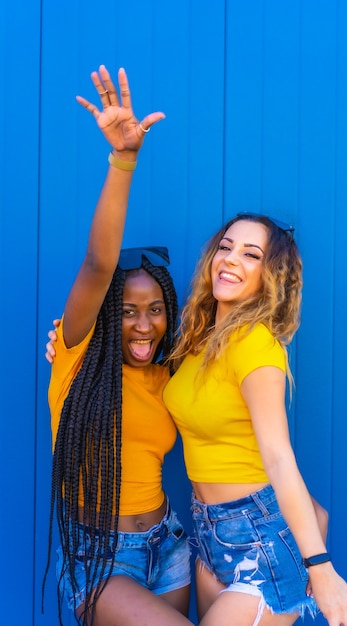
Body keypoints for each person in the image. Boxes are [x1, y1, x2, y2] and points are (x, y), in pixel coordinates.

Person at [44, 64, 195, 626]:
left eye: (155, 311)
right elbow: (99, 262)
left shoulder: (170, 377)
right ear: (106, 317)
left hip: (169, 544)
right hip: (100, 556)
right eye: (128, 311)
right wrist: (124, 160)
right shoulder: (75, 357)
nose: (143, 324)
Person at [162, 213, 347, 626]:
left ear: (269, 276)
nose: (231, 259)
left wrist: (320, 566)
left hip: (259, 541)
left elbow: (277, 456)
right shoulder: (200, 342)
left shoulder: (256, 345)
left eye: (251, 254)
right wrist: (69, 348)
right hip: (209, 531)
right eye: (226, 247)